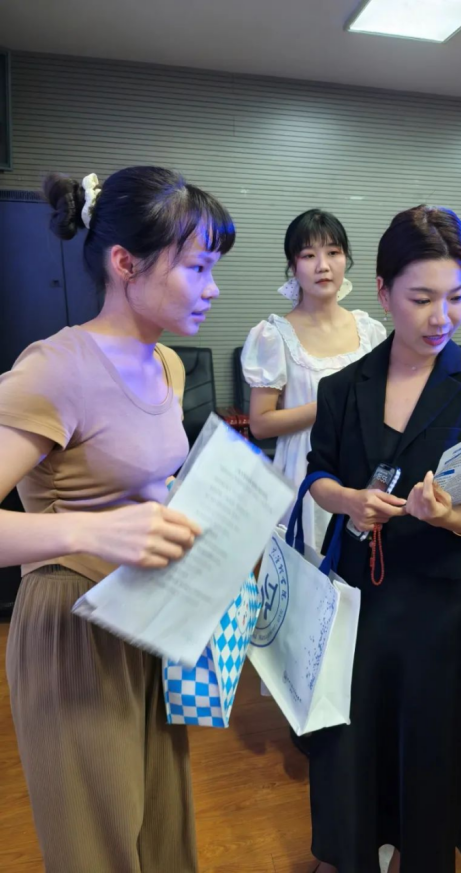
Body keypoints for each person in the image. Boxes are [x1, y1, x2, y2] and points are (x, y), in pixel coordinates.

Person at [0, 166, 236, 873]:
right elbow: (97, 514)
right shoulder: (56, 368)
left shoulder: (165, 364)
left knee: (159, 831)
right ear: (125, 263)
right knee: (96, 844)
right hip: (73, 626)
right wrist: (91, 528)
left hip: (144, 613)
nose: (212, 288)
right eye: (196, 268)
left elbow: (140, 478)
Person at [306, 206, 461, 873]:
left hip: (435, 605)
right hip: (354, 600)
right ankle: (348, 853)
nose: (441, 317)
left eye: (456, 296)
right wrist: (347, 499)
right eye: (421, 298)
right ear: (382, 290)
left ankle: (416, 856)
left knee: (426, 748)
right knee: (349, 741)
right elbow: (317, 474)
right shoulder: (343, 388)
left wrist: (449, 516)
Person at [241, 209, 386, 550]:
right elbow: (260, 424)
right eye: (309, 255)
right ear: (293, 266)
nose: (323, 265)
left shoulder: (371, 331)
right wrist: (330, 406)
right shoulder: (274, 335)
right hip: (303, 472)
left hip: (363, 468)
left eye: (333, 252)